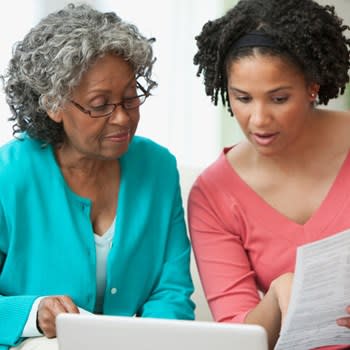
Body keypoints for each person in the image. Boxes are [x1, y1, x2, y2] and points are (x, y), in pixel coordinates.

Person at [0, 3, 195, 350]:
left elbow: (171, 290)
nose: (122, 118)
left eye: (130, 98)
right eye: (100, 104)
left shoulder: (158, 168)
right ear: (54, 104)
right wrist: (33, 312)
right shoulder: (8, 176)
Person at [188, 0, 350, 349]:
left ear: (312, 86)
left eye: (278, 99)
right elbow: (237, 336)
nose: (258, 120)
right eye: (243, 98)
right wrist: (277, 295)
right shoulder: (213, 194)